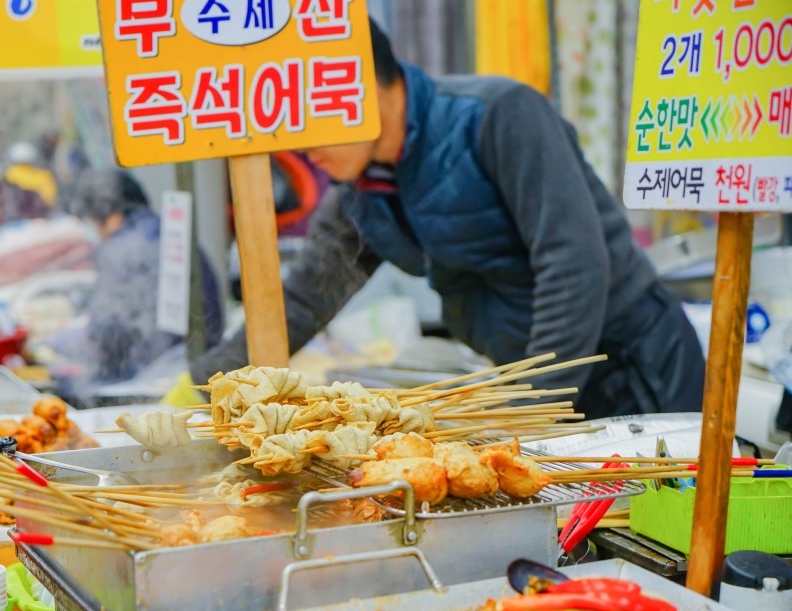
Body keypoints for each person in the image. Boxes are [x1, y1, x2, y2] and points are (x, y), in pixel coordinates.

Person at [189, 20, 705, 418]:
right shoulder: (359, 192)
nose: (299, 145)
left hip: (635, 368)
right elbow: (304, 300)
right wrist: (199, 388)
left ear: (364, 87)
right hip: (536, 387)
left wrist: (529, 411)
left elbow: (573, 265)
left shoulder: (497, 115)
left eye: (310, 117)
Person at [61, 168, 224, 383]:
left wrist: (61, 341)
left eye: (91, 220)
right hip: (205, 363)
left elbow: (106, 333)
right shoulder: (165, 230)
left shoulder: (121, 248)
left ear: (112, 216)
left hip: (156, 377)